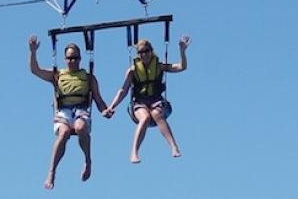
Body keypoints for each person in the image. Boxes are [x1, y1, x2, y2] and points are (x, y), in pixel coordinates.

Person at [29, 35, 112, 190]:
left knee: (80, 128)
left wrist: (105, 111)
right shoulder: (57, 75)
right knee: (64, 133)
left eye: (75, 58)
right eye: (69, 58)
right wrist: (33, 52)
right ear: (65, 59)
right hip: (63, 112)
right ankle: (51, 172)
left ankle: (88, 160)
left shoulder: (88, 78)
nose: (72, 61)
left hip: (81, 110)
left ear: (80, 59)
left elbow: (98, 100)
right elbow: (35, 70)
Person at [106, 35, 190, 163]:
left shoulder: (159, 66)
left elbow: (181, 67)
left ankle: (173, 146)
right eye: (141, 52)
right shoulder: (132, 71)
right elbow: (123, 90)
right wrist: (112, 106)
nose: (144, 55)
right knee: (144, 118)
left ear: (151, 51)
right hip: (139, 102)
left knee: (157, 114)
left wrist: (182, 51)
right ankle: (134, 152)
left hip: (156, 100)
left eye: (146, 51)